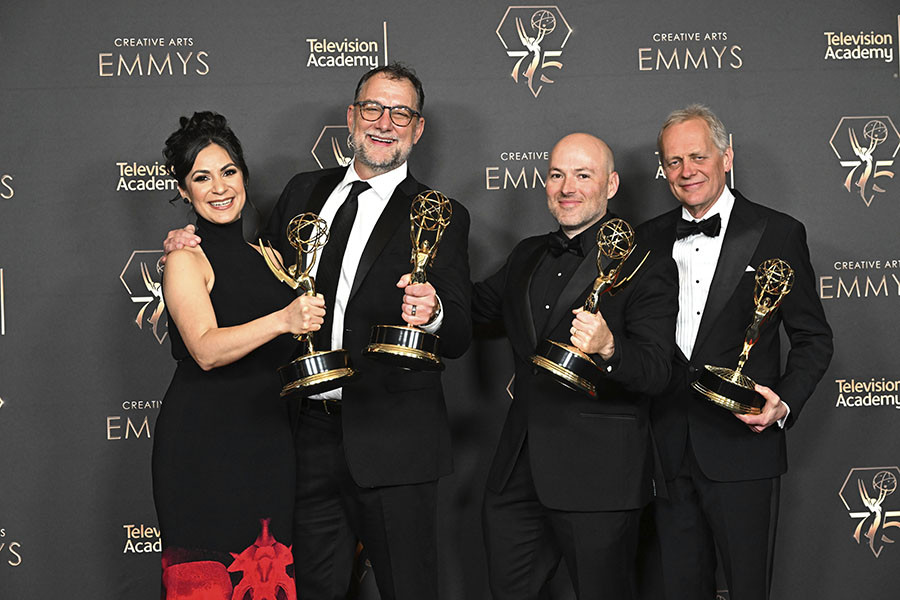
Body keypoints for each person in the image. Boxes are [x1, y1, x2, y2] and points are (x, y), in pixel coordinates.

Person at [164, 64, 471, 600]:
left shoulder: (441, 214)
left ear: (418, 129)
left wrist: (436, 309)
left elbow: (463, 330)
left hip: (394, 442)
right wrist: (186, 243)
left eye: (401, 113)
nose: (385, 123)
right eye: (373, 108)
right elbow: (247, 273)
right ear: (352, 117)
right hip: (300, 442)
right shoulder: (304, 191)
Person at [640, 104, 833, 599]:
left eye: (698, 156)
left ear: (727, 157)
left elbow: (813, 338)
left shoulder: (778, 232)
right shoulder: (647, 239)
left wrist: (783, 403)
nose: (687, 172)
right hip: (665, 449)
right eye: (674, 161)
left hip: (744, 447)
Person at [473, 133, 678, 599]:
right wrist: (433, 303)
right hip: (516, 471)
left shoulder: (646, 264)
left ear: (611, 185)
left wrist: (610, 347)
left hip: (599, 477)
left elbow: (656, 371)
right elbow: (476, 307)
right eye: (557, 175)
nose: (567, 186)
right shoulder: (527, 254)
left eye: (583, 175)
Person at [153, 111, 324, 598]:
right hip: (203, 451)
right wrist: (283, 320)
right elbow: (204, 348)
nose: (219, 187)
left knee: (266, 583)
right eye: (201, 178)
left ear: (244, 176)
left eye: (228, 172)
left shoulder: (269, 257)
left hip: (269, 448)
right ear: (184, 192)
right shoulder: (186, 259)